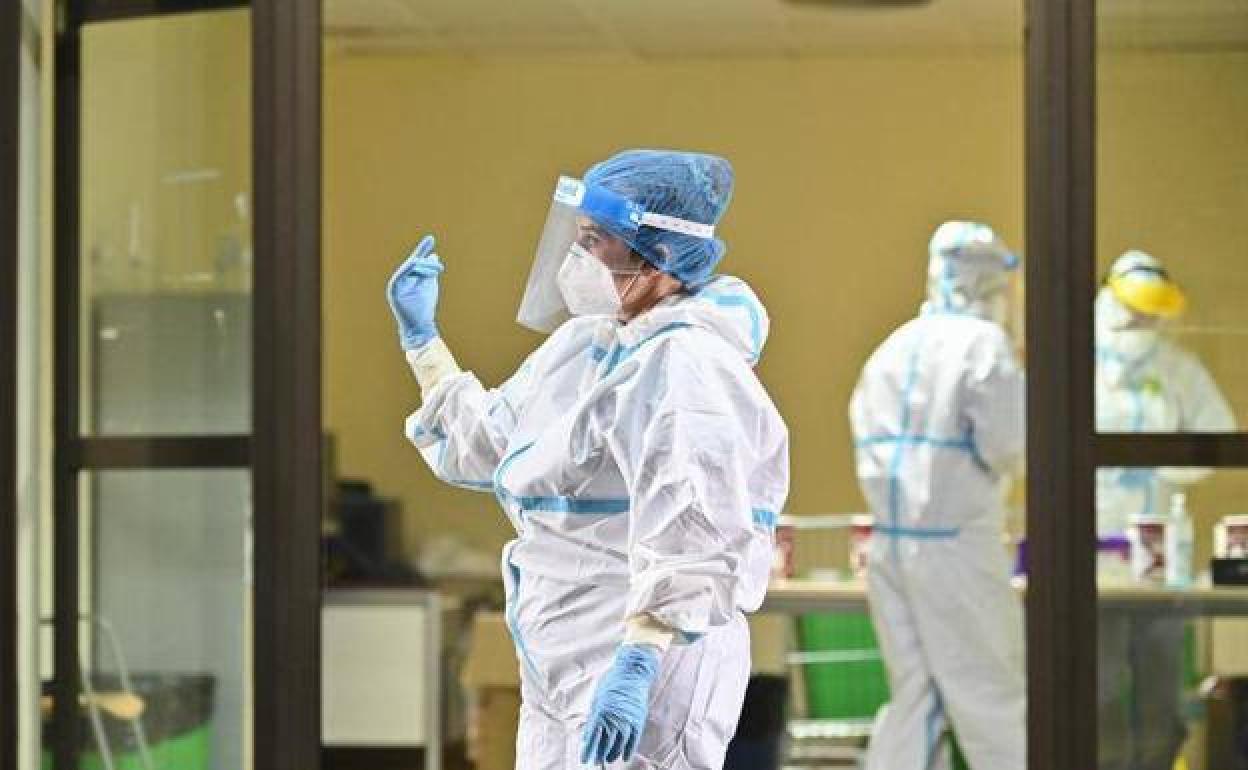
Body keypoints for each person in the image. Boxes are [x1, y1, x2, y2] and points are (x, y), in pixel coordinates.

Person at [387, 149, 790, 770]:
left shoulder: (689, 363)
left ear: (656, 256)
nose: (575, 258)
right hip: (560, 655)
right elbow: (491, 445)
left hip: (646, 660)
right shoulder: (586, 344)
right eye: (577, 237)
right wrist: (424, 344)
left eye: (595, 241)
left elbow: (697, 526)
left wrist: (639, 657)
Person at [850, 221, 1026, 770]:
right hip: (958, 551)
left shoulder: (892, 348)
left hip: (889, 550)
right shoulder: (984, 347)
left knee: (915, 697)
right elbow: (1011, 448)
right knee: (991, 697)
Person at [1094, 250, 1235, 770]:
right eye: (1134, 312)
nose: (1142, 324)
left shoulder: (1176, 367)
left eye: (1152, 315)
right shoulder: (1074, 363)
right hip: (1094, 559)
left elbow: (1219, 438)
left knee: (1161, 689)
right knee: (1098, 686)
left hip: (1161, 558)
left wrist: (1164, 462)